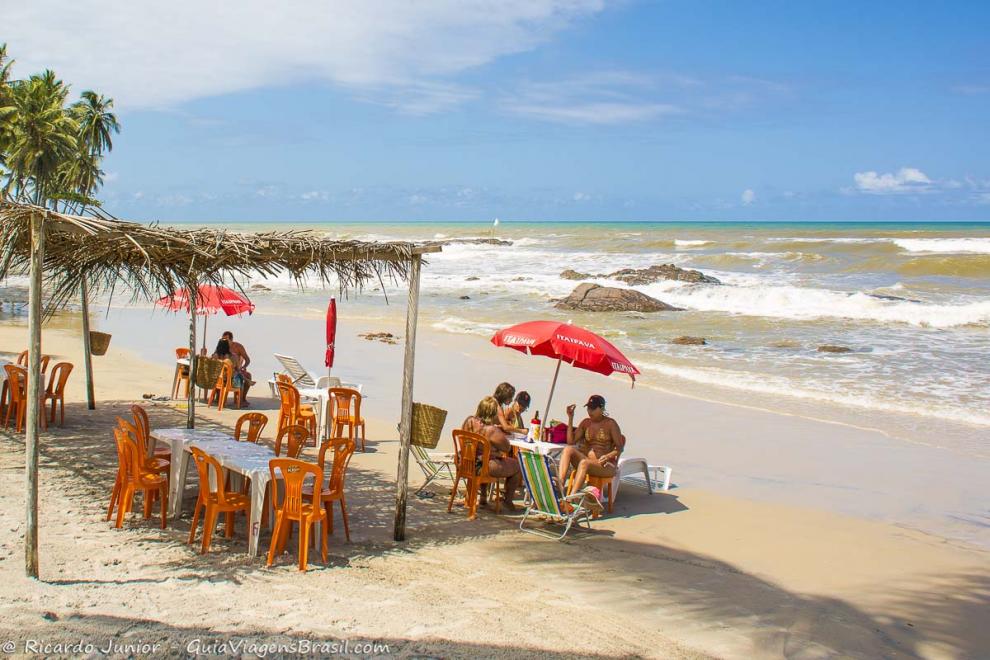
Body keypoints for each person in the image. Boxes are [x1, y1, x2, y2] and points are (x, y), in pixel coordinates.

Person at [461, 396, 522, 512]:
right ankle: (507, 501)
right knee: (517, 466)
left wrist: (492, 451)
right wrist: (495, 451)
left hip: (466, 463)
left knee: (487, 457)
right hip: (482, 466)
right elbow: (507, 447)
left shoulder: (468, 421)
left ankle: (483, 497)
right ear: (492, 413)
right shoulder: (491, 430)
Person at [557, 394, 624, 494]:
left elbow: (620, 448)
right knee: (568, 449)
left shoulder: (610, 424)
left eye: (593, 409)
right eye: (588, 408)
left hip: (605, 465)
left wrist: (607, 456)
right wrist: (570, 418)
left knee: (584, 463)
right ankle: (560, 485)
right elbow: (571, 442)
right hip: (587, 460)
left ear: (601, 408)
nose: (590, 411)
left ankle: (572, 497)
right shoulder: (585, 423)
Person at [221, 330, 253, 404]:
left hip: (236, 370)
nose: (224, 341)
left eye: (226, 340)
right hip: (225, 372)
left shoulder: (238, 347)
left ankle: (242, 398)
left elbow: (247, 360)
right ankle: (218, 396)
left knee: (248, 375)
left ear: (231, 340)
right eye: (223, 339)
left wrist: (244, 367)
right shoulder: (221, 346)